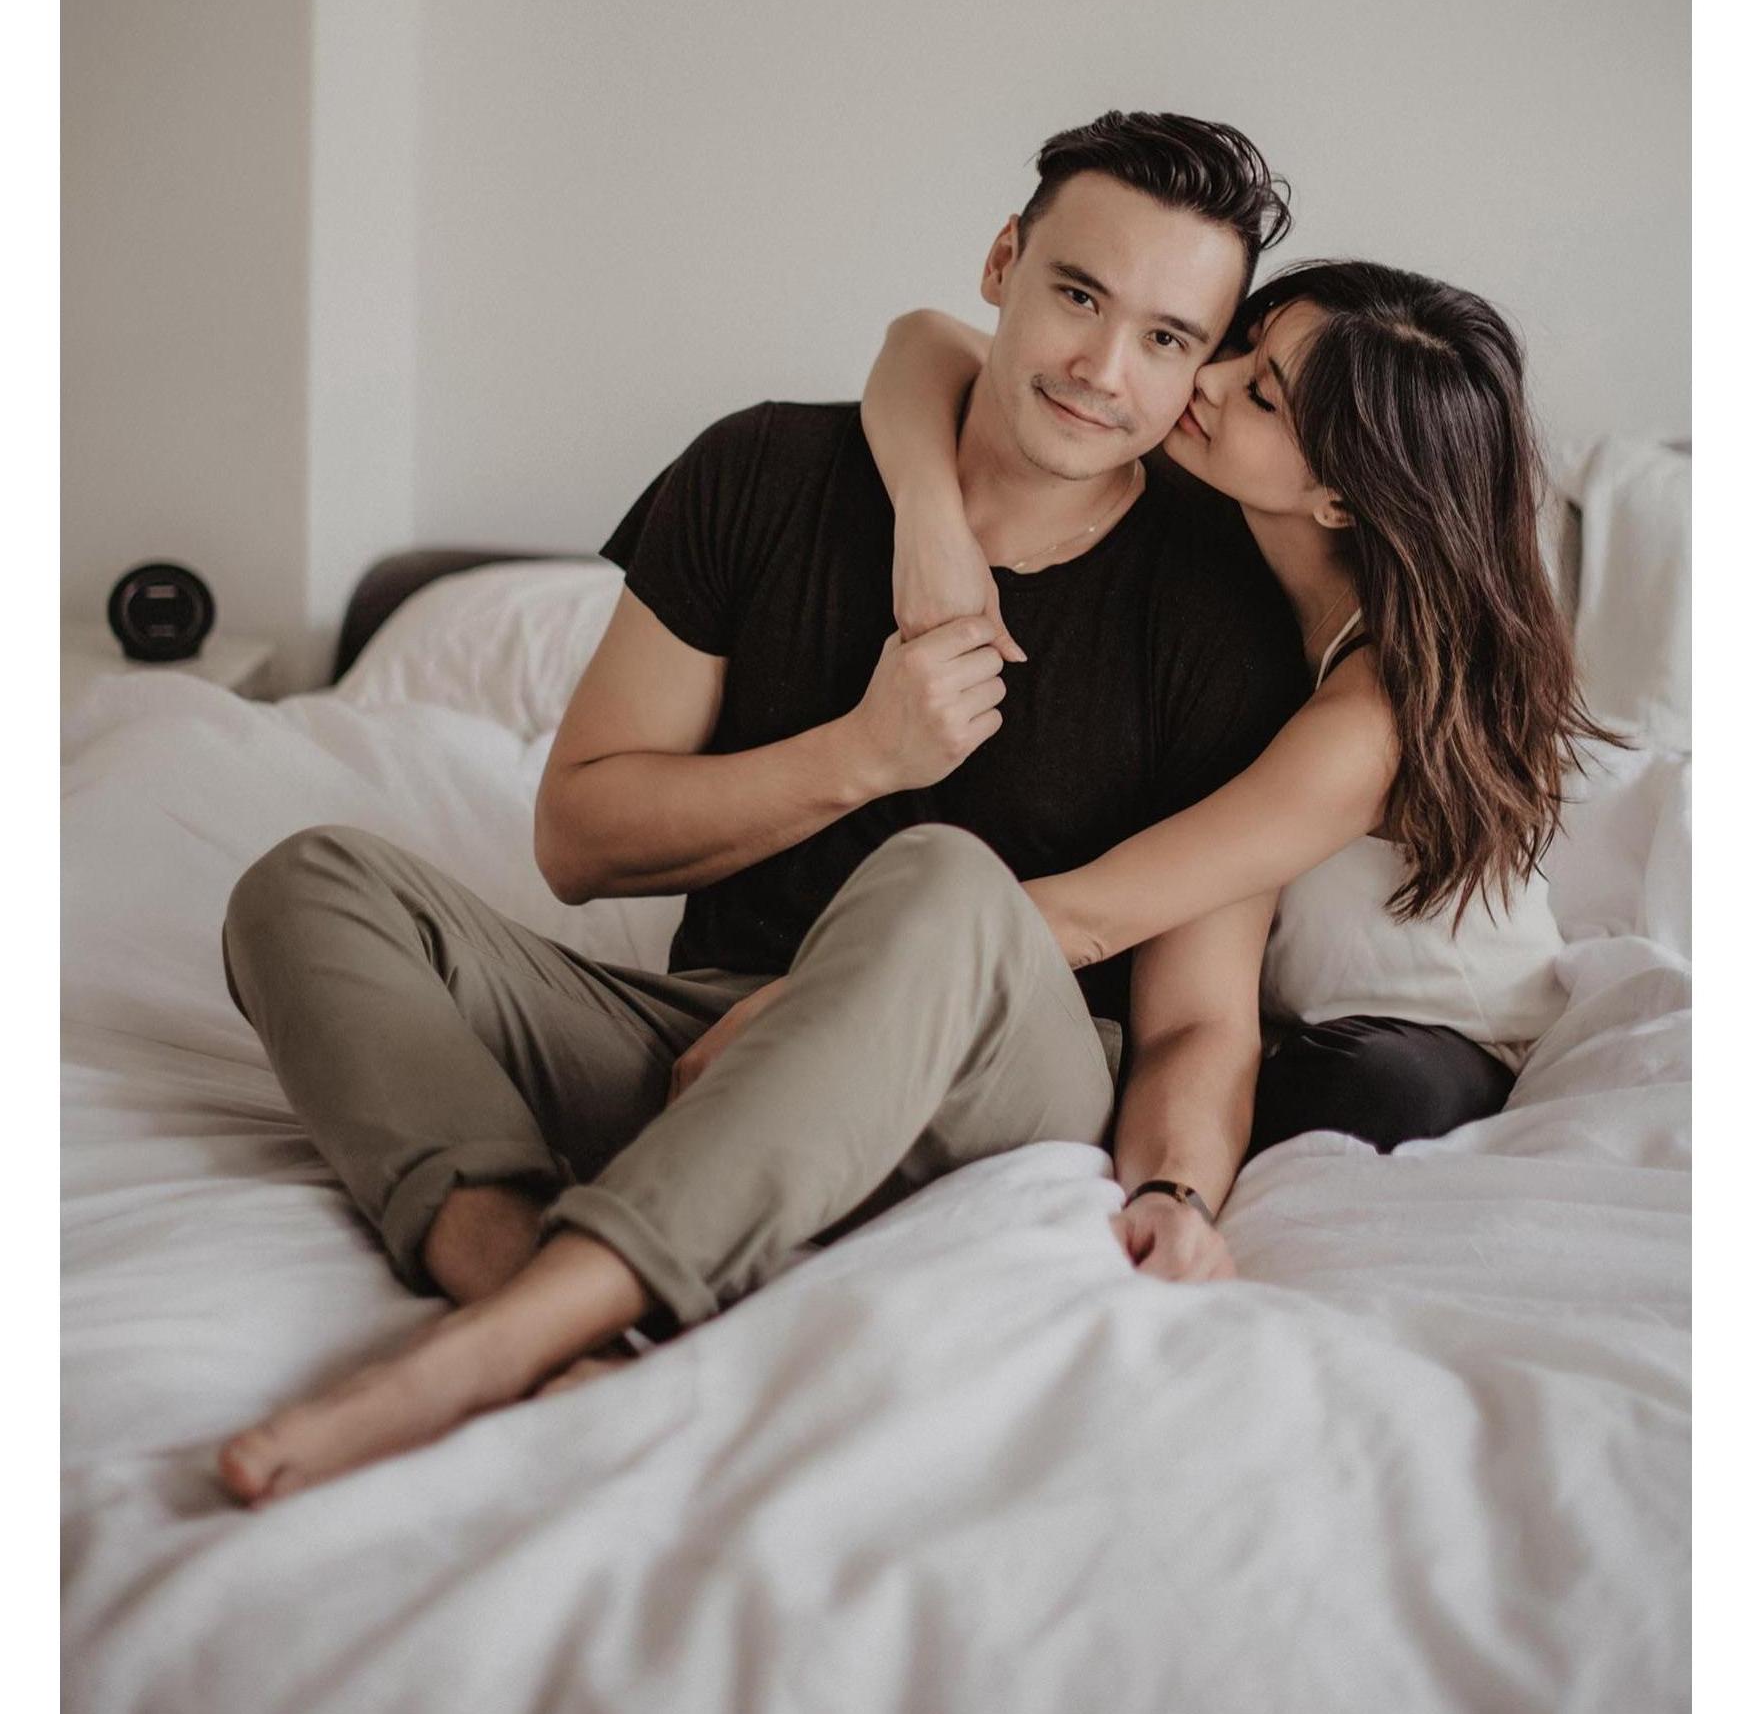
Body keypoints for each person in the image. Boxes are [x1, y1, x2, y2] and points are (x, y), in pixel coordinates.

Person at [213, 110, 1310, 1508]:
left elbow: (1201, 1016)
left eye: (1163, 338)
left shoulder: (1217, 611)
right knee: (311, 882)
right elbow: (579, 837)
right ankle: (531, 1300)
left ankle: (481, 1351)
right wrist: (860, 753)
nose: (1103, 370)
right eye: (1078, 296)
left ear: (1199, 366)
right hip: (702, 1046)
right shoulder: (764, 472)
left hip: (984, 1079)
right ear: (1002, 265)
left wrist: (1172, 1194)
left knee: (941, 878)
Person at [846, 258, 1619, 1164]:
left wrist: (834, 997)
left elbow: (1091, 916)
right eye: (1241, 346)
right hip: (1264, 1002)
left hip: (1430, 1041)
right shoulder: (1234, 541)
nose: (1207, 379)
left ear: (1339, 498)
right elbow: (923, 341)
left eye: (1259, 394)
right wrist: (929, 521)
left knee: (1323, 1096)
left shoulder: (1371, 718)